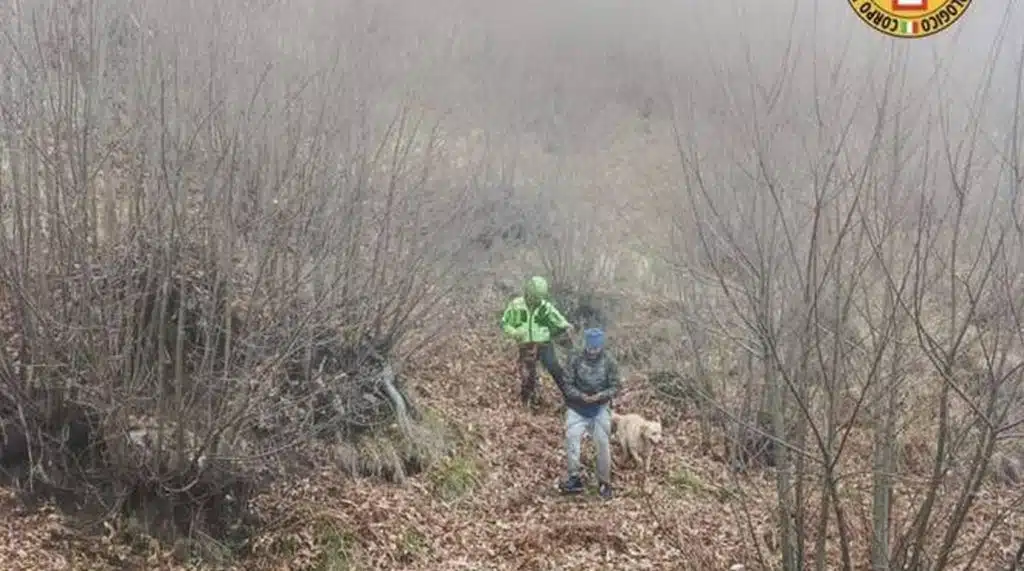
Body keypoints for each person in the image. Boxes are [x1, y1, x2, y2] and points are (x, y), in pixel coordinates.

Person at [557, 327, 620, 500]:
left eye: (596, 348)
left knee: (603, 443)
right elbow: (566, 384)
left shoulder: (609, 361)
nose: (593, 352)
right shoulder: (575, 358)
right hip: (577, 407)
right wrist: (581, 396)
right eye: (590, 348)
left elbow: (615, 386)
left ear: (601, 347)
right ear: (586, 346)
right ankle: (574, 477)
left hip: (600, 408)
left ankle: (604, 482)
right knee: (571, 438)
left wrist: (601, 396)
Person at [500, 276, 574, 407]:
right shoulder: (516, 305)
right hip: (526, 345)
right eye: (534, 297)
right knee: (528, 375)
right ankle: (527, 403)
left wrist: (567, 326)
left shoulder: (545, 307)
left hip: (544, 344)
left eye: (538, 298)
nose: (535, 301)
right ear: (528, 292)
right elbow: (505, 323)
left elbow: (559, 320)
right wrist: (514, 333)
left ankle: (571, 399)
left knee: (555, 369)